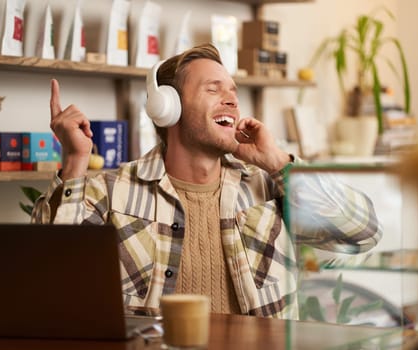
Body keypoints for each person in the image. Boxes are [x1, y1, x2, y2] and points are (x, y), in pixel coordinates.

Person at [32, 43, 382, 319]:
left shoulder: (268, 188)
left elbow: (363, 232)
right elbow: (49, 280)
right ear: (168, 107)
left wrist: (277, 162)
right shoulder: (111, 191)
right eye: (213, 90)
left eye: (233, 91)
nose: (231, 99)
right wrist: (76, 161)